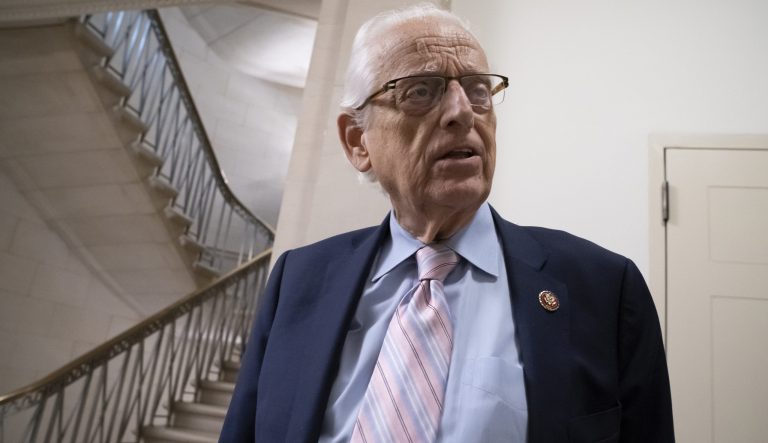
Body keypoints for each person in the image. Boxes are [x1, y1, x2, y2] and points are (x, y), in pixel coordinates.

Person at [220, 4, 674, 442]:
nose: (463, 112)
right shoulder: (298, 280)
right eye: (420, 90)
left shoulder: (604, 289)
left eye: (478, 90)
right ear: (358, 141)